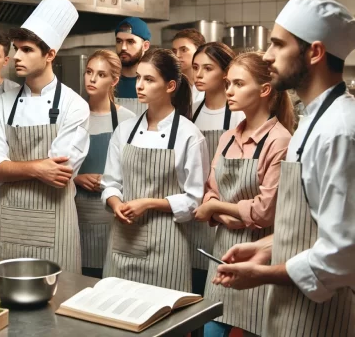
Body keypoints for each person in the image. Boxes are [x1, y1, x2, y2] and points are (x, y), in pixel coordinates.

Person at [213, 0, 355, 336]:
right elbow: (309, 228)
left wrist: (263, 274)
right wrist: (264, 247)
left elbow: (343, 253)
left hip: (325, 315)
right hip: (293, 309)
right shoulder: (312, 122)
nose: (267, 55)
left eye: (278, 45)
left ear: (315, 52)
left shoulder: (341, 131)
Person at [0, 0, 90, 273]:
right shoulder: (3, 103)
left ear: (50, 54)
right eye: (16, 48)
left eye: (26, 49)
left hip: (56, 227)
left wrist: (14, 168)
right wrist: (37, 168)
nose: (16, 56)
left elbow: (58, 174)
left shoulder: (74, 105)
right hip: (10, 226)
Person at [193, 51, 294, 337]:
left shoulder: (280, 141)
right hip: (222, 250)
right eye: (227, 83)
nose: (229, 91)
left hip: (259, 259)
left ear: (264, 90)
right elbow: (209, 193)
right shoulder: (227, 138)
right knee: (211, 328)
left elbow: (264, 212)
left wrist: (217, 210)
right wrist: (226, 210)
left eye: (238, 84)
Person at [101, 47, 209, 290]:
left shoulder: (188, 135)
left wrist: (148, 203)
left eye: (149, 79)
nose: (139, 85)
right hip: (122, 241)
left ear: (170, 86)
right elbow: (110, 183)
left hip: (167, 246)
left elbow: (194, 200)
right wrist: (116, 204)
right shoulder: (124, 130)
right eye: (139, 77)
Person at [187, 42, 245, 295]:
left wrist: (216, 209)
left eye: (207, 68)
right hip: (192, 210)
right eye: (196, 67)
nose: (198, 75)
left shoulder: (237, 115)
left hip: (223, 213)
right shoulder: (191, 112)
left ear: (225, 73)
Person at [74, 50, 135, 278]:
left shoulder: (127, 119)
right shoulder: (73, 115)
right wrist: (77, 178)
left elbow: (133, 169)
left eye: (101, 74)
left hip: (110, 213)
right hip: (77, 209)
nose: (92, 79)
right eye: (89, 72)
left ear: (114, 81)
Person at [114, 17, 151, 115]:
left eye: (130, 42)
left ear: (145, 46)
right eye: (119, 41)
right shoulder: (109, 81)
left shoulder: (154, 84)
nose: (123, 47)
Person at [172, 28, 206, 103]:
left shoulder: (211, 84)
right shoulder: (171, 85)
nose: (177, 55)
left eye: (183, 50)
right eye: (174, 51)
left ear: (199, 51)